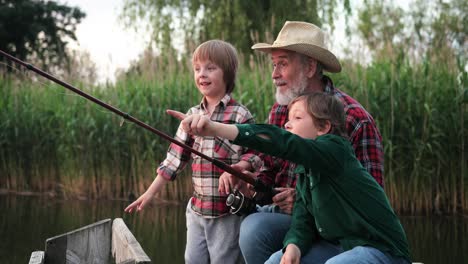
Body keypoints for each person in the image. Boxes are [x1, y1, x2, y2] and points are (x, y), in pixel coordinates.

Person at [168, 92, 411, 264]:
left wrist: (215, 128)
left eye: (296, 118)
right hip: (339, 245)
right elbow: (303, 221)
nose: (286, 123)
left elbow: (284, 143)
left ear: (323, 127)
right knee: (276, 260)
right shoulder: (306, 170)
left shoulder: (336, 150)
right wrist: (294, 246)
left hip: (382, 251)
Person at [221, 21, 385, 263]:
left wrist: (307, 202)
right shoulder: (281, 110)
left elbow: (370, 201)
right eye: (274, 64)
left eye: (283, 64)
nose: (274, 74)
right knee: (253, 228)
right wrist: (250, 179)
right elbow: (269, 166)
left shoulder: (355, 119)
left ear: (310, 67)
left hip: (342, 235)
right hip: (297, 222)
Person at [124, 39, 262, 264]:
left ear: (227, 73)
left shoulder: (240, 115)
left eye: (210, 68)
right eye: (197, 69)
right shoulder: (190, 115)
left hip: (226, 212)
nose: (202, 74)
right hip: (197, 209)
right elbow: (173, 160)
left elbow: (256, 155)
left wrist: (240, 167)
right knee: (192, 260)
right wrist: (149, 194)